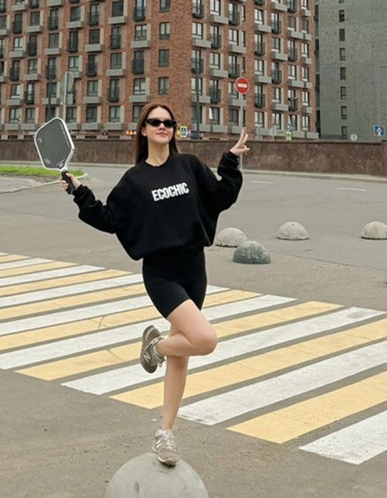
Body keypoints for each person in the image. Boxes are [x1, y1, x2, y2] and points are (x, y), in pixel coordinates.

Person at [61, 102, 249, 466]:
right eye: (155, 122)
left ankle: (165, 433)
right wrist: (79, 192)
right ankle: (156, 346)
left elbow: (221, 197)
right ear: (144, 129)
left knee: (182, 356)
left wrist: (230, 161)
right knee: (204, 339)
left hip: (194, 269)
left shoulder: (189, 166)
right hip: (162, 274)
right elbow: (110, 219)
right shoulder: (135, 181)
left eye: (168, 122)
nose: (163, 126)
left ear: (173, 130)